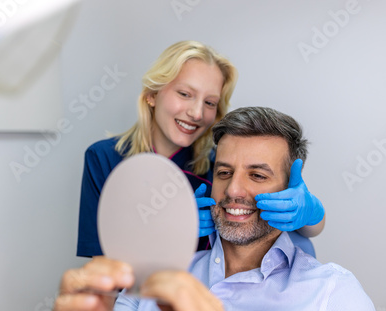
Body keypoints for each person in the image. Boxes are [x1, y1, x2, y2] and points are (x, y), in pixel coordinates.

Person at [54, 107, 386, 311]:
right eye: (224, 172)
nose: (234, 190)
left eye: (257, 175)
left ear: (291, 190)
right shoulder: (148, 282)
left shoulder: (332, 292)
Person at [76, 41, 325, 258]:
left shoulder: (220, 167)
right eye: (185, 94)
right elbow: (104, 266)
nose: (196, 113)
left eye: (209, 103)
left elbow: (306, 231)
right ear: (152, 95)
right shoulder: (105, 159)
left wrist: (311, 212)